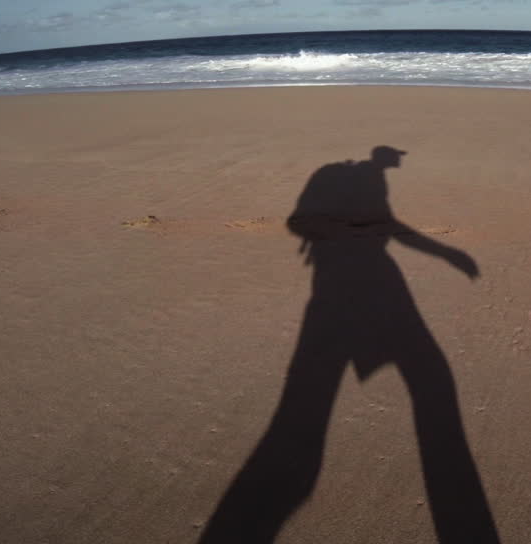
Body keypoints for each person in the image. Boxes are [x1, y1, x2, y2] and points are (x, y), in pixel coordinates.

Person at [199, 146, 499, 544]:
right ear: (383, 158)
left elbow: (374, 222)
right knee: (428, 381)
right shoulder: (353, 177)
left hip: (346, 276)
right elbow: (303, 221)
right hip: (347, 278)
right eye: (395, 157)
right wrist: (443, 251)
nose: (398, 162)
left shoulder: (369, 177)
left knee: (313, 404)